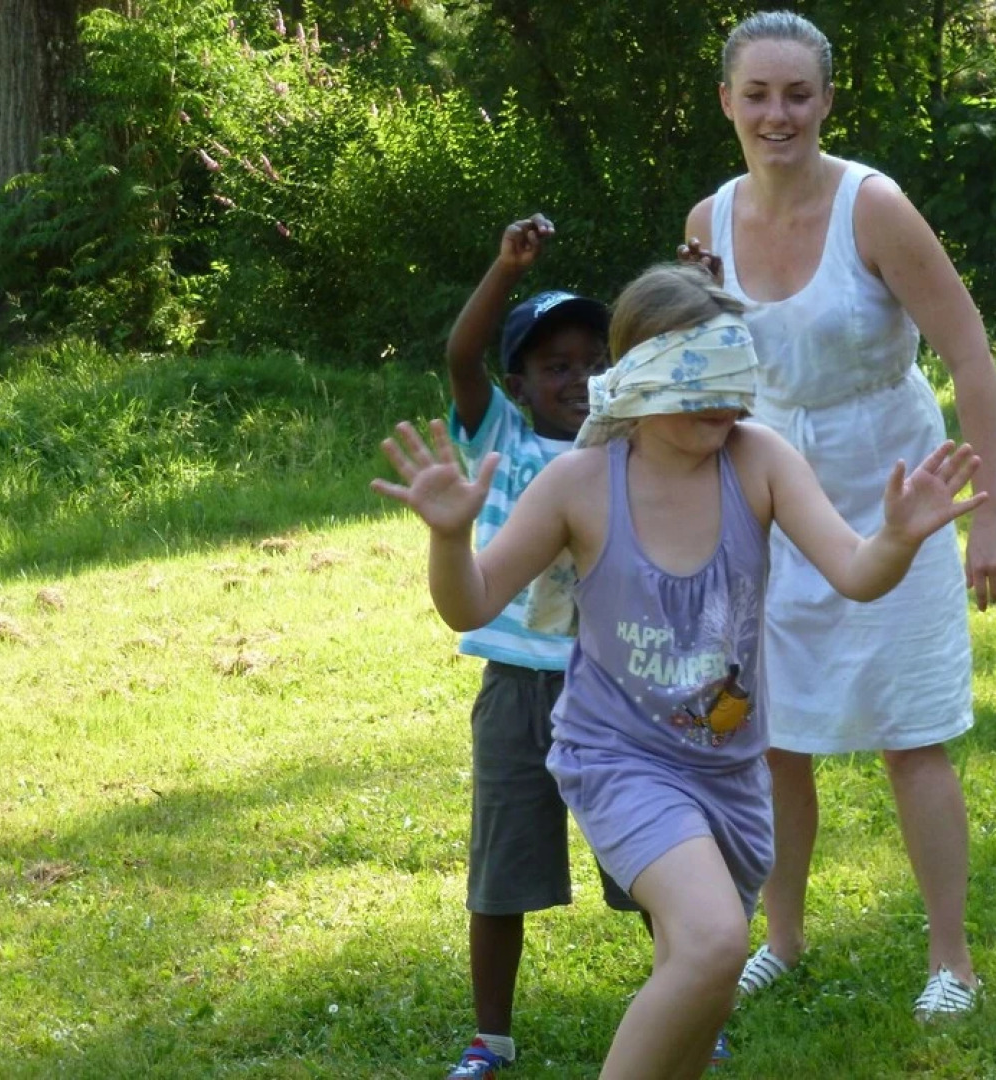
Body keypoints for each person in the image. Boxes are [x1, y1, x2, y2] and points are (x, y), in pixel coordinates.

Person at [372, 263, 989, 1079]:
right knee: (711, 942)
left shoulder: (758, 460)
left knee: (700, 990)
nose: (725, 404)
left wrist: (899, 539)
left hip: (731, 771)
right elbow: (470, 604)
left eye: (737, 379)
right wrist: (450, 539)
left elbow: (854, 572)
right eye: (699, 380)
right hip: (619, 760)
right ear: (635, 377)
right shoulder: (580, 484)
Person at [680, 9, 996, 1017]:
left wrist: (992, 510)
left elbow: (968, 356)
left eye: (797, 94)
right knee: (768, 734)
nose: (777, 113)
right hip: (766, 491)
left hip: (895, 488)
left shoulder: (874, 208)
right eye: (758, 94)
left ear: (826, 101)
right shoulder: (708, 223)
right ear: (729, 103)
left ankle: (951, 960)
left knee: (909, 730)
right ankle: (780, 939)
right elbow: (702, 369)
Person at [439, 213, 639, 1079]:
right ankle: (492, 1036)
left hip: (615, 689)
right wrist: (503, 266)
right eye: (557, 366)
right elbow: (460, 357)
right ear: (519, 383)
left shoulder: (628, 445)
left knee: (650, 857)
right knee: (502, 870)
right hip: (516, 690)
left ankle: (691, 999)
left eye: (596, 362)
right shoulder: (500, 439)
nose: (581, 379)